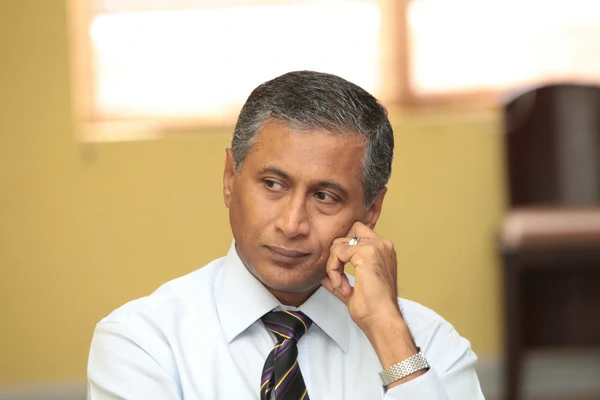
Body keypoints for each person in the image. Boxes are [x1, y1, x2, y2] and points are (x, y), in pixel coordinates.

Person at [87, 71, 485, 399]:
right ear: (229, 178)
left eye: (325, 196)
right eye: (273, 184)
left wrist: (390, 335)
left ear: (371, 211)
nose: (292, 224)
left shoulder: (429, 345)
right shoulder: (143, 342)